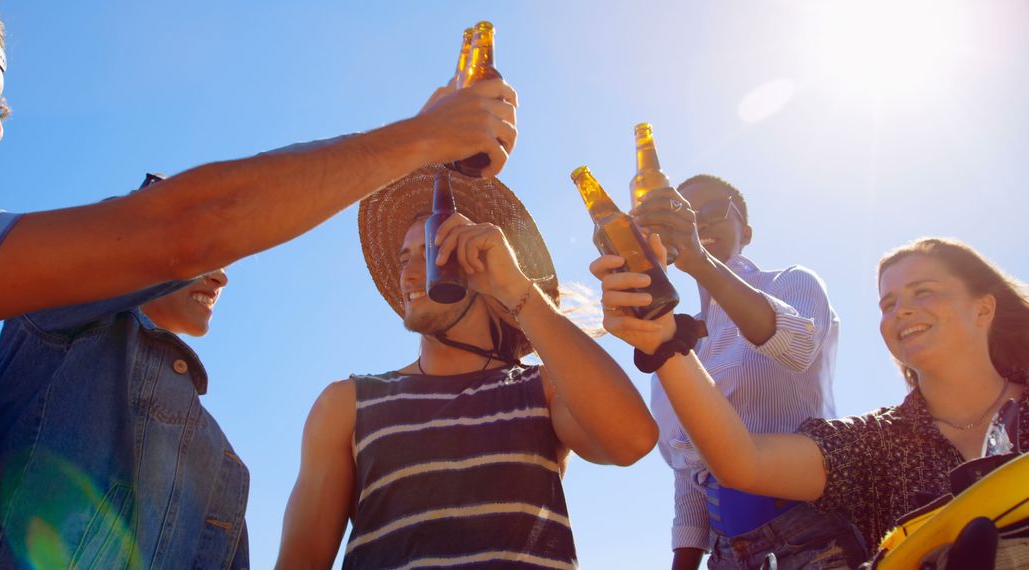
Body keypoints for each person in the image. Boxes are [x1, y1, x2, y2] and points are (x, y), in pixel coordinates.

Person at [0, 1, 516, 562]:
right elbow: (187, 229)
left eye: (0, 103)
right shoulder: (57, 316)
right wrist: (421, 138)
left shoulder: (221, 464)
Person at [276, 166, 659, 569]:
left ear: (478, 260)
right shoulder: (346, 404)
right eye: (404, 258)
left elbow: (632, 440)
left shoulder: (541, 389)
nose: (406, 273)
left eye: (429, 252)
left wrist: (514, 288)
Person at [593, 235, 1029, 563]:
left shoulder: (790, 282)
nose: (902, 311)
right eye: (888, 303)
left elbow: (797, 345)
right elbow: (742, 463)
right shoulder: (877, 443)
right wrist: (665, 341)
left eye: (924, 292)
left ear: (983, 308)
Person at [0, 174, 249, 567]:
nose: (221, 276)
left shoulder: (223, 459)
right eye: (206, 256)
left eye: (223, 262)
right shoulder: (55, 316)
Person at [630, 175, 861, 569]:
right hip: (727, 553)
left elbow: (799, 348)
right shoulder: (677, 339)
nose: (697, 221)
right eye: (681, 214)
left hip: (811, 536)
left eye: (713, 210)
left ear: (747, 232)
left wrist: (700, 261)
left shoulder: (791, 283)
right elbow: (689, 469)